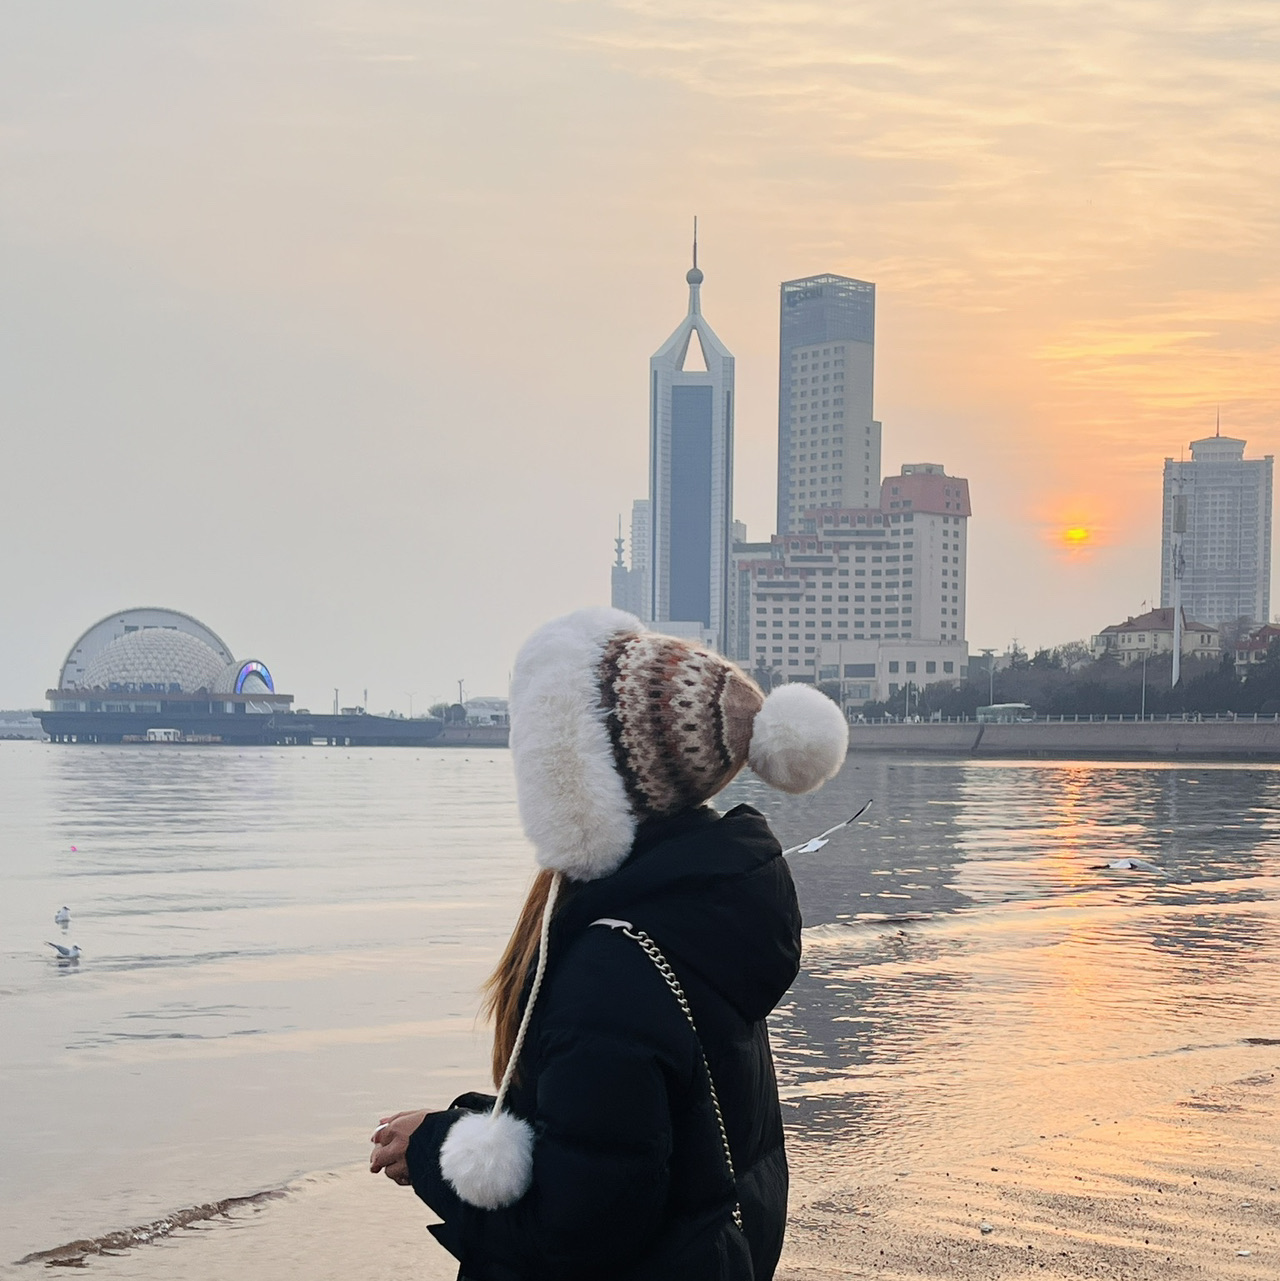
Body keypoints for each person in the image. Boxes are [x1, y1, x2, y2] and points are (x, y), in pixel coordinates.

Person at [370, 607, 848, 1280]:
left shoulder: (612, 968)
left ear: (581, 781)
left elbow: (576, 1234)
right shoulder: (705, 906)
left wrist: (434, 1153)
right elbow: (636, 1141)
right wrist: (466, 1122)